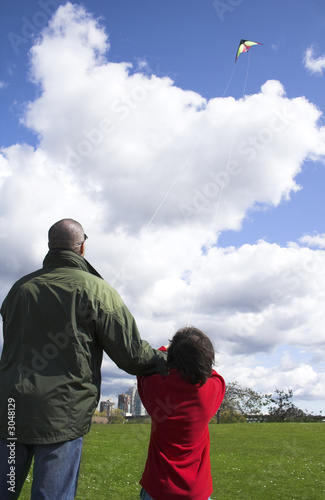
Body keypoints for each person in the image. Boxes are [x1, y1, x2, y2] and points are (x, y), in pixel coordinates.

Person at [0, 218, 167, 500]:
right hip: (61, 416)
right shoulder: (98, 291)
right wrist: (168, 360)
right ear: (82, 248)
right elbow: (132, 355)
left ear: (50, 246)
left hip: (11, 411)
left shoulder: (19, 289)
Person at [137, 326, 226, 500]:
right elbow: (215, 376)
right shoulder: (211, 390)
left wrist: (164, 350)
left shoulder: (155, 387)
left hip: (157, 490)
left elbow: (144, 367)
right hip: (197, 492)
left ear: (172, 359)